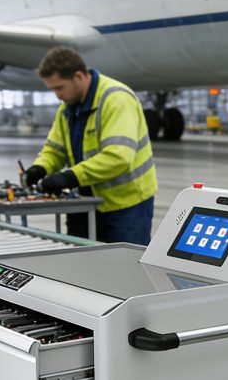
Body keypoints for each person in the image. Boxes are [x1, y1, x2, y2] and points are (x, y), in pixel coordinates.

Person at [23, 47, 157, 244]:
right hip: (86, 203)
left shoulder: (116, 99)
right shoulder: (68, 109)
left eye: (59, 88)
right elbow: (55, 149)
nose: (57, 95)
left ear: (78, 76)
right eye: (52, 89)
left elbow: (118, 157)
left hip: (125, 205)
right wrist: (40, 167)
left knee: (124, 269)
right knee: (83, 267)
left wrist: (70, 177)